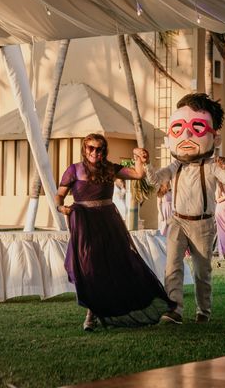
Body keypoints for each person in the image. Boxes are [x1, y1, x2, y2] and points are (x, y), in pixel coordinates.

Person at [56, 133, 175, 332]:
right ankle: (92, 311)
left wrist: (139, 156)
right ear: (85, 149)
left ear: (104, 150)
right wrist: (62, 208)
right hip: (84, 222)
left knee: (111, 265)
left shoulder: (111, 168)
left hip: (108, 222)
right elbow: (59, 195)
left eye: (99, 149)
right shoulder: (74, 170)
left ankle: (91, 315)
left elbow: (138, 174)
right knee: (88, 267)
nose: (95, 152)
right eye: (91, 148)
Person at [145, 93, 225, 324]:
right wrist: (146, 165)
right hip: (178, 221)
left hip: (203, 223)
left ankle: (204, 311)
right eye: (178, 128)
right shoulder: (176, 165)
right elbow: (156, 180)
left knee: (201, 272)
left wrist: (223, 165)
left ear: (214, 138)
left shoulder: (212, 166)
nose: (186, 135)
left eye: (197, 127)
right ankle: (174, 309)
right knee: (172, 266)